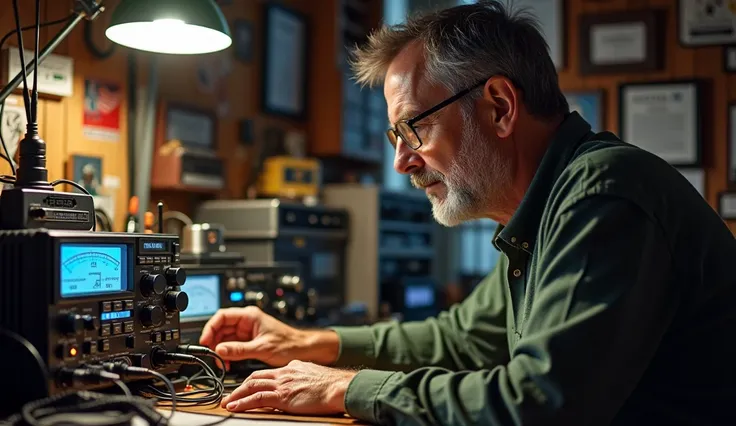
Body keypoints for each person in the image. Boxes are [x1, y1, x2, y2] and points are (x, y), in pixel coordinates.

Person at [200, 1, 736, 424]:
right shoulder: (538, 210)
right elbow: (462, 337)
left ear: (499, 106)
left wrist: (346, 387)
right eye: (395, 134)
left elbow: (538, 403)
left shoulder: (602, 193)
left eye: (414, 127)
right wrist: (309, 342)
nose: (402, 159)